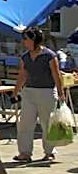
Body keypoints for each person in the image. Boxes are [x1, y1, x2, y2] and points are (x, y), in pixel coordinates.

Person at [14, 27, 66, 162]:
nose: (24, 42)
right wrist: (16, 91)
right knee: (25, 123)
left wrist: (61, 93)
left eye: (26, 39)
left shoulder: (49, 55)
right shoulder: (25, 56)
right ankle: (25, 153)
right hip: (29, 92)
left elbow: (56, 75)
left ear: (34, 40)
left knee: (47, 123)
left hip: (47, 92)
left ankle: (49, 152)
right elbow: (22, 75)